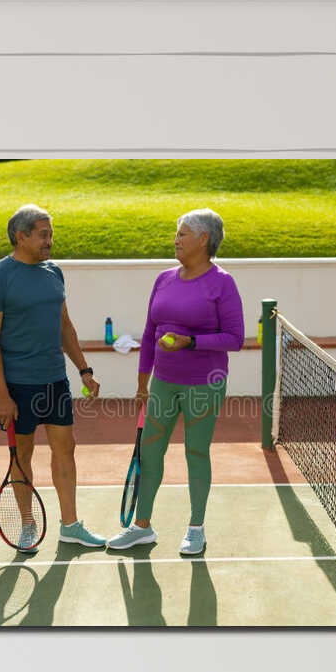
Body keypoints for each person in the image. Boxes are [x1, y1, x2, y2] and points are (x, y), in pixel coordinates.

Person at [110, 208, 244, 557]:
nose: (176, 239)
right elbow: (151, 332)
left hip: (204, 385)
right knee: (151, 452)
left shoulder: (222, 283)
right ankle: (142, 527)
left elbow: (235, 337)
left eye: (183, 233)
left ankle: (195, 528)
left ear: (203, 239)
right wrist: (143, 382)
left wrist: (193, 342)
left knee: (196, 452)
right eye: (177, 233)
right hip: (163, 384)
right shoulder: (164, 278)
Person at [0, 204, 103, 552]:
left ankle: (70, 525)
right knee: (23, 455)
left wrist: (84, 369)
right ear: (21, 236)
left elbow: (64, 324)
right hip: (18, 387)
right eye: (43, 234)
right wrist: (2, 395)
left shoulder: (54, 272)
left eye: (51, 233)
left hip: (54, 382)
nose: (50, 240)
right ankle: (28, 525)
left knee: (66, 449)